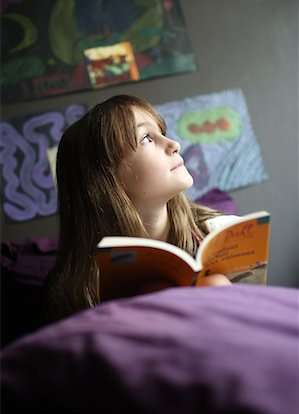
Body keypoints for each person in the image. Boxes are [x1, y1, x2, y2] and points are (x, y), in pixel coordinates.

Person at [44, 94, 233, 322]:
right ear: (106, 179)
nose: (174, 145)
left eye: (161, 133)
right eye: (146, 138)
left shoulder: (220, 231)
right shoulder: (74, 289)